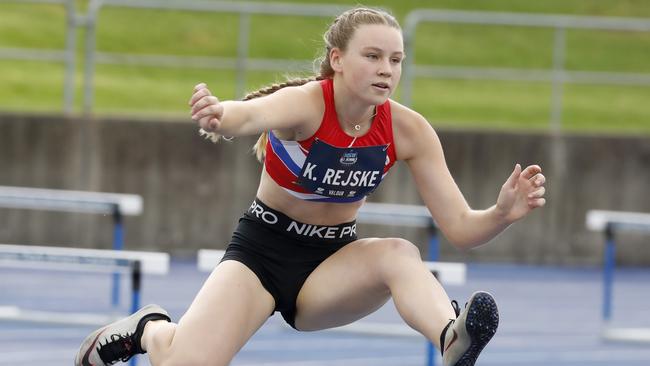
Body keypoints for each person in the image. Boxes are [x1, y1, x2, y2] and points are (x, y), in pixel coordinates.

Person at [75, 7, 546, 366]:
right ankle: (149, 329)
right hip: (260, 255)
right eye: (374, 56)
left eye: (397, 59)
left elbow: (461, 229)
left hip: (331, 265)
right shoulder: (306, 106)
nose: (387, 69)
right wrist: (222, 115)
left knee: (399, 253)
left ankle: (450, 337)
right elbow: (255, 113)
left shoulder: (408, 130)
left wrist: (501, 213)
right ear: (337, 60)